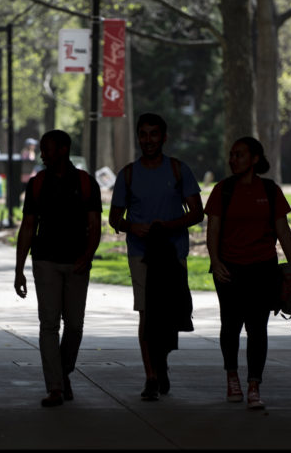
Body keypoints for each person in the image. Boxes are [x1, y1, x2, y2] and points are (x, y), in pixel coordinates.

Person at [108, 113, 203, 401]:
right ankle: (151, 376)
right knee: (147, 314)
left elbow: (197, 213)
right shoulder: (128, 174)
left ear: (164, 137)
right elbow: (114, 217)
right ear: (138, 137)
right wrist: (132, 226)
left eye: (153, 134)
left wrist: (167, 226)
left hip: (173, 254)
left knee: (170, 316)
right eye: (143, 134)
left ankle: (161, 364)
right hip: (141, 253)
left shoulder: (178, 170)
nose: (148, 140)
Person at [204, 136, 291, 410]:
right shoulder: (222, 190)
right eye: (232, 155)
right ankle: (232, 376)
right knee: (231, 326)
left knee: (258, 329)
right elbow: (212, 229)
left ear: (255, 159)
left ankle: (254, 384)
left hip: (263, 268)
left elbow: (283, 229)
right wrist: (216, 260)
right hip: (229, 270)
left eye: (240, 155)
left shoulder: (270, 191)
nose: (233, 159)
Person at [14, 129, 102, 407]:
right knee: (49, 324)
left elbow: (95, 225)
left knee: (74, 326)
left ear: (63, 149)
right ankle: (55, 386)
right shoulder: (37, 183)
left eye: (47, 149)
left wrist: (88, 255)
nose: (42, 154)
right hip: (46, 261)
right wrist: (19, 269)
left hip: (77, 262)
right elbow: (28, 227)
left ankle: (62, 373)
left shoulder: (87, 183)